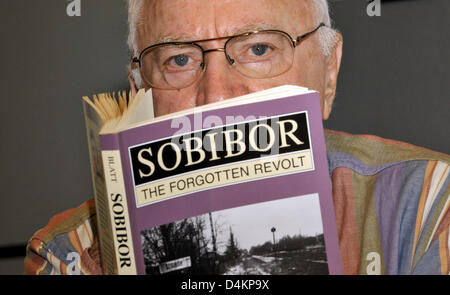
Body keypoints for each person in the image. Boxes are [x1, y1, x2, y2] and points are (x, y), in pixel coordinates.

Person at [25, 0, 449, 275]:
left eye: (259, 49)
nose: (216, 95)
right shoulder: (71, 254)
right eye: (179, 58)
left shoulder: (428, 208)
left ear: (329, 73)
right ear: (139, 91)